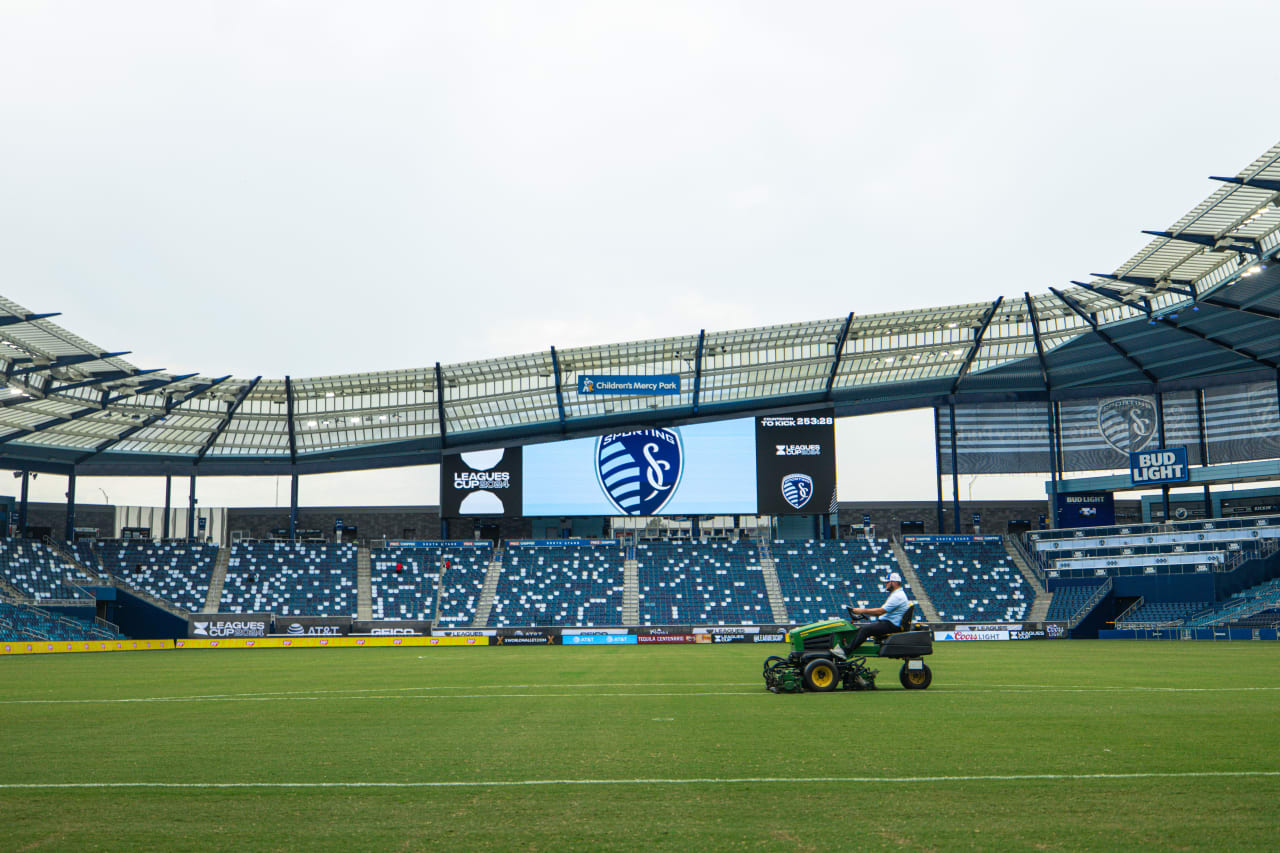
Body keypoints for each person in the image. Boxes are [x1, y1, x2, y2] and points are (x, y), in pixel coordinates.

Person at [844, 572, 910, 651]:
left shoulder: (898, 596)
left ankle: (845, 651)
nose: (886, 584)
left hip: (891, 625)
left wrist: (862, 610)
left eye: (887, 582)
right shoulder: (897, 594)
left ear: (894, 582)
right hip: (889, 623)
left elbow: (880, 612)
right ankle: (848, 648)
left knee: (865, 630)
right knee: (862, 629)